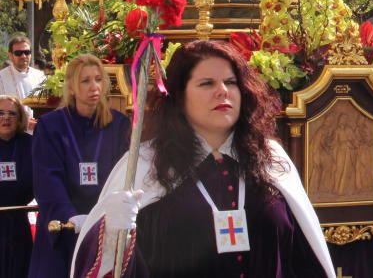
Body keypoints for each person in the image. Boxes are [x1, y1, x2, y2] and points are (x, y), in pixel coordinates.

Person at [71, 40, 334, 276]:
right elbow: (105, 267)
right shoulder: (145, 165)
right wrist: (114, 236)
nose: (222, 91)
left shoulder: (271, 158)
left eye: (231, 82)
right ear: (179, 97)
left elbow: (304, 258)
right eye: (206, 83)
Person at [29, 54, 130, 278]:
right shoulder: (51, 126)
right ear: (72, 87)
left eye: (98, 79)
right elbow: (47, 177)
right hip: (64, 229)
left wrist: (108, 216)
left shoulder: (118, 124)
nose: (94, 86)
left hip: (106, 230)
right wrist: (70, 216)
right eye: (85, 81)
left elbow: (124, 173)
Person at [0, 95, 33, 277]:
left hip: (18, 221)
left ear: (20, 118)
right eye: (1, 113)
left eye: (12, 113)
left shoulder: (29, 144)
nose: (6, 117)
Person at [0, 33, 46, 130]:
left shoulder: (40, 76)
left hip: (36, 131)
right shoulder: (1, 77)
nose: (23, 56)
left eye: (27, 52)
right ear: (10, 55)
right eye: (18, 53)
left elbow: (46, 106)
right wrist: (23, 122)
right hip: (11, 133)